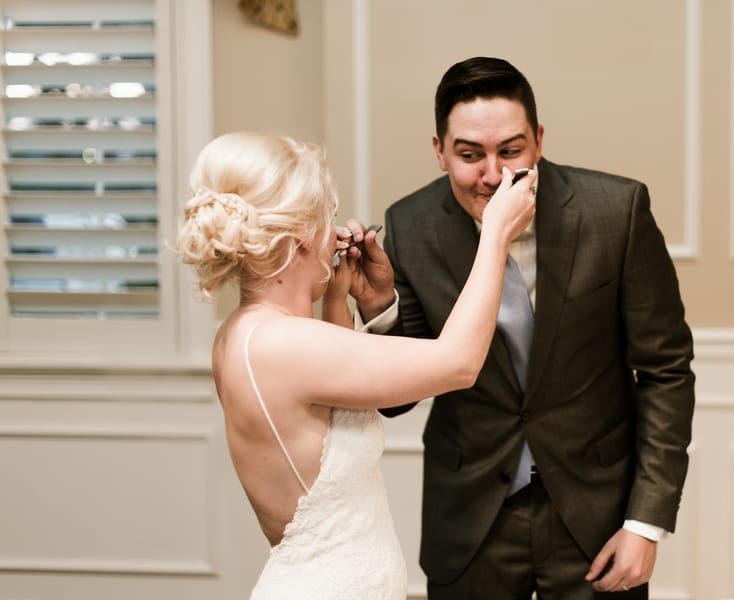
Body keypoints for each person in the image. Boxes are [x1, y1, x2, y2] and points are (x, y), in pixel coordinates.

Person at [347, 57, 696, 599]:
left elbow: (666, 371)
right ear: (439, 151)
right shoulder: (409, 224)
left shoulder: (616, 211)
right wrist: (381, 308)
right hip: (470, 521)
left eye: (510, 150)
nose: (493, 174)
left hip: (597, 515)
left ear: (538, 140)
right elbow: (397, 402)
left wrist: (645, 523)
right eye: (469, 154)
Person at [173, 131, 536, 600]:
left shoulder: (247, 333)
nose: (336, 231)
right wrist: (496, 235)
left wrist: (339, 297)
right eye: (328, 217)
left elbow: (328, 409)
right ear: (302, 234)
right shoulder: (282, 344)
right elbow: (459, 363)